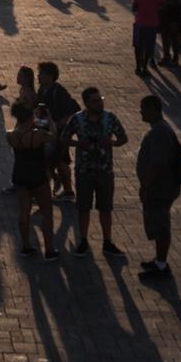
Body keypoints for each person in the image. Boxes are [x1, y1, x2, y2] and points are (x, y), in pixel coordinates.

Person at [61, 87, 127, 258]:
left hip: (105, 171)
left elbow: (123, 138)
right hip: (84, 171)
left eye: (100, 99)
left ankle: (107, 241)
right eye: (95, 101)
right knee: (83, 208)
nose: (100, 103)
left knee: (105, 208)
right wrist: (78, 144)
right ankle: (83, 240)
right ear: (87, 103)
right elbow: (64, 138)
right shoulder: (77, 120)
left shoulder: (110, 118)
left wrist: (110, 143)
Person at [137, 95, 181, 280]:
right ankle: (158, 261)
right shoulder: (160, 129)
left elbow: (157, 164)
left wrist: (145, 186)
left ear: (154, 110)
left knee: (161, 226)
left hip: (160, 189)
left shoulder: (159, 133)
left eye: (144, 108)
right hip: (161, 187)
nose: (141, 112)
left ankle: (162, 266)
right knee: (158, 225)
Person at [7, 102, 58, 261]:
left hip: (20, 174)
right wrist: (49, 118)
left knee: (24, 211)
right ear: (31, 117)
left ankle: (26, 246)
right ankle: (49, 249)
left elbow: (17, 129)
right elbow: (54, 136)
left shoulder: (10, 135)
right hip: (37, 175)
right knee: (46, 213)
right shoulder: (38, 134)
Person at [37, 61, 81, 203]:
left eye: (41, 74)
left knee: (57, 161)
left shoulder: (58, 91)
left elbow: (74, 108)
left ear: (50, 76)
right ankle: (66, 190)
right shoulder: (42, 89)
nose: (38, 76)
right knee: (58, 161)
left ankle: (55, 192)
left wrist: (60, 123)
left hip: (59, 133)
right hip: (46, 131)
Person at [132, 0, 165, 77]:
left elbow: (134, 7)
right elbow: (162, 7)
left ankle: (138, 66)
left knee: (138, 45)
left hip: (140, 22)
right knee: (149, 46)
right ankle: (145, 66)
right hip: (152, 22)